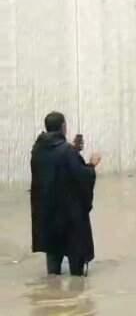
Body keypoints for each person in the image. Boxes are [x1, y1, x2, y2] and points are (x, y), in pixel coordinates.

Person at [30, 111, 101, 277]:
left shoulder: (37, 150)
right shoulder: (67, 152)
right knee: (76, 264)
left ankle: (53, 297)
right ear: (63, 127)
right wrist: (91, 164)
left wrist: (73, 150)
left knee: (53, 264)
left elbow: (54, 168)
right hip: (69, 217)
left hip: (47, 215)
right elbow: (81, 176)